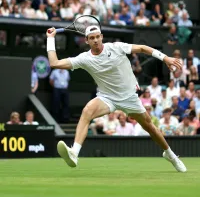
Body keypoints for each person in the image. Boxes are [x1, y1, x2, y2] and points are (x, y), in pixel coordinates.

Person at [46, 25, 186, 172]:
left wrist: (165, 58)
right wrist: (50, 39)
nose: (95, 40)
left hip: (129, 97)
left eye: (97, 37)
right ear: (86, 41)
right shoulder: (84, 58)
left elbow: (143, 48)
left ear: (102, 37)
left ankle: (170, 155)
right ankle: (74, 152)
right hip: (107, 98)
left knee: (150, 127)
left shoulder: (116, 47)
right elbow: (54, 63)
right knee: (87, 110)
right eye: (92, 38)